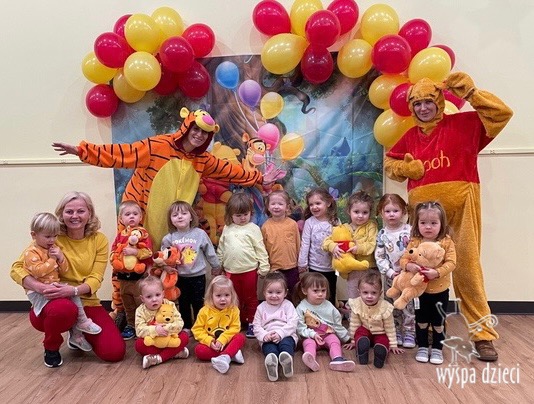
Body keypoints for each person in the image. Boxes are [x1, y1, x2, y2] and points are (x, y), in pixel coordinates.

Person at [384, 72, 513, 361]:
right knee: (420, 272)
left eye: (428, 101)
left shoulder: (466, 124)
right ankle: (427, 333)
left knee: (468, 271)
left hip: (462, 208)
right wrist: (405, 169)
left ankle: (482, 335)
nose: (423, 108)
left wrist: (472, 94)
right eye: (417, 104)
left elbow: (502, 114)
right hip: (423, 219)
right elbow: (390, 161)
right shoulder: (410, 137)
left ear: (440, 102)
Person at [52, 107, 279, 250]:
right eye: (196, 129)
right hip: (140, 216)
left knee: (168, 268)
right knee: (128, 260)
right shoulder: (157, 146)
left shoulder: (202, 159)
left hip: (172, 225)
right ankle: (121, 307)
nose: (199, 135)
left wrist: (260, 178)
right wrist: (82, 151)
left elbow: (231, 171)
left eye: (205, 133)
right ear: (186, 127)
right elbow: (119, 154)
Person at [11, 191, 125, 367]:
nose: (75, 216)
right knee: (64, 309)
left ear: (89, 213)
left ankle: (76, 334)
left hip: (86, 300)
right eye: (69, 211)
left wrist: (73, 290)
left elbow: (96, 278)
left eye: (81, 211)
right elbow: (16, 269)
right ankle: (51, 347)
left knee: (114, 352)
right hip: (54, 302)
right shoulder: (51, 236)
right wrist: (40, 288)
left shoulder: (99, 239)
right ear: (61, 214)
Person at [21, 212, 102, 361]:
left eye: (55, 236)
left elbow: (64, 271)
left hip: (55, 286)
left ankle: (79, 327)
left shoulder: (54, 248)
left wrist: (61, 258)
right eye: (48, 237)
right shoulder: (31, 252)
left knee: (73, 294)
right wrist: (53, 260)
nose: (52, 240)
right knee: (62, 308)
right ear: (34, 235)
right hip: (39, 292)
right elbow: (38, 271)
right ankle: (51, 348)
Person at [400, 202, 456, 365]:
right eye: (423, 223)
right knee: (421, 320)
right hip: (419, 292)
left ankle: (437, 348)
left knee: (439, 321)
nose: (428, 227)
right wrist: (409, 266)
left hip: (440, 291)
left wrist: (437, 272)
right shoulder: (415, 242)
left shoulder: (446, 242)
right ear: (417, 223)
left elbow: (452, 263)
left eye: (433, 223)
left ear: (441, 224)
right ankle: (423, 347)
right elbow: (404, 259)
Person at [161, 200, 221, 334]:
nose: (180, 217)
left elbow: (210, 251)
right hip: (180, 276)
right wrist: (166, 267)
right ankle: (186, 326)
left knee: (198, 302)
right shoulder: (169, 238)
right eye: (175, 215)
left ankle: (200, 326)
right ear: (171, 220)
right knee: (183, 302)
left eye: (184, 213)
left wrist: (216, 266)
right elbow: (164, 257)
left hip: (198, 276)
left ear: (191, 217)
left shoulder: (200, 234)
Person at [217, 192, 270, 338]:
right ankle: (236, 322)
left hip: (249, 270)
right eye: (238, 215)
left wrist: (264, 267)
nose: (242, 218)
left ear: (251, 213)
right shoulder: (227, 228)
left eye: (245, 214)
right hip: (230, 271)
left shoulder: (253, 228)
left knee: (250, 298)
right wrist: (218, 265)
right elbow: (221, 248)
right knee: (234, 298)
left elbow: (260, 248)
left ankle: (252, 322)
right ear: (230, 214)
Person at [375, 193, 415, 349]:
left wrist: (410, 268)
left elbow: (416, 252)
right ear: (381, 213)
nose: (391, 214)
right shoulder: (382, 234)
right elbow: (379, 256)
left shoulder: (410, 231)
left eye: (395, 211)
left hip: (409, 277)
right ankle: (396, 331)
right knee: (393, 304)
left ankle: (410, 331)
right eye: (387, 211)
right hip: (391, 277)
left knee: (409, 304)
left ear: (403, 212)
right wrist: (390, 272)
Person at [323, 190, 378, 299]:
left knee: (371, 297)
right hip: (352, 271)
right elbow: (326, 242)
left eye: (365, 212)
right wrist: (333, 247)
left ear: (370, 212)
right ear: (349, 211)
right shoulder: (343, 228)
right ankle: (353, 310)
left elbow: (372, 244)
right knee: (353, 296)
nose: (360, 216)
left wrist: (358, 248)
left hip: (370, 268)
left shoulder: (371, 226)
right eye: (356, 212)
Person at [296, 272, 355, 372]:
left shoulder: (329, 306)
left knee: (335, 341)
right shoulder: (301, 308)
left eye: (323, 290)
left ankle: (337, 359)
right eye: (315, 291)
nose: (320, 294)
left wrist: (348, 338)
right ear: (305, 291)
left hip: (328, 334)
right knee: (308, 343)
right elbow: (300, 328)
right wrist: (313, 334)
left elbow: (337, 324)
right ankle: (310, 359)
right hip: (311, 336)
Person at [110, 200, 153, 340]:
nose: (132, 216)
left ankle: (144, 324)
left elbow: (148, 252)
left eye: (135, 214)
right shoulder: (120, 235)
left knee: (139, 301)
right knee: (127, 301)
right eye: (127, 214)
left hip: (138, 277)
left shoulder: (143, 234)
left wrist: (135, 253)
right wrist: (114, 260)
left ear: (140, 217)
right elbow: (114, 250)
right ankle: (131, 325)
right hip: (123, 277)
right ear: (121, 219)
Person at [348, 271, 404, 368]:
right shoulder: (357, 304)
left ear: (380, 293)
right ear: (359, 292)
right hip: (365, 330)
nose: (369, 296)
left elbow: (390, 327)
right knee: (360, 332)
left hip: (380, 332)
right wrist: (353, 340)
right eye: (365, 293)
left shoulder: (385, 307)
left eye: (374, 293)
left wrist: (393, 344)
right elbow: (354, 324)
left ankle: (380, 354)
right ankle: (361, 351)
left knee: (383, 340)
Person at [192, 275, 246, 374]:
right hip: (212, 345)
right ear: (211, 296)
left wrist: (223, 339)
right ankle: (231, 354)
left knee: (240, 337)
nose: (223, 299)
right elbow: (197, 330)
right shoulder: (204, 311)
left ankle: (226, 356)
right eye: (218, 296)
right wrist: (209, 341)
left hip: (228, 341)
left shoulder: (234, 310)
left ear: (232, 295)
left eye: (227, 295)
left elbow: (235, 328)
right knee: (199, 350)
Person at [134, 276, 190, 369]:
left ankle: (159, 358)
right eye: (149, 297)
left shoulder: (170, 305)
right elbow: (139, 330)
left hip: (169, 339)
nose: (154, 299)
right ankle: (174, 353)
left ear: (163, 294)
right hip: (154, 341)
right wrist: (155, 330)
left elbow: (179, 323)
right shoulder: (140, 311)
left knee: (184, 337)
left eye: (157, 295)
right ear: (142, 298)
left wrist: (167, 328)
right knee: (139, 345)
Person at [252, 272, 299, 382]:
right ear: (264, 292)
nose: (274, 296)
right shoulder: (261, 308)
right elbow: (256, 326)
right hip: (268, 336)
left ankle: (286, 359)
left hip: (286, 334)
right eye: (270, 292)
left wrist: (280, 333)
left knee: (286, 344)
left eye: (278, 292)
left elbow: (293, 322)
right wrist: (265, 336)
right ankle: (272, 362)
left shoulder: (288, 305)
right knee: (269, 348)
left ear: (285, 293)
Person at [297, 188, 339, 305]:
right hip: (314, 266)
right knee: (315, 292)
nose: (314, 207)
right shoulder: (310, 222)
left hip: (332, 266)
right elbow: (305, 243)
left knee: (330, 293)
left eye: (318, 203)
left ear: (328, 203)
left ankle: (331, 313)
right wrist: (302, 263)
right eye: (311, 204)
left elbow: (340, 241)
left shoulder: (335, 221)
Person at [261, 190, 301, 297]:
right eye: (273, 204)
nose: (276, 207)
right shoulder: (265, 226)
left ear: (287, 207)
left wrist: (300, 263)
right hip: (274, 268)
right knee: (276, 293)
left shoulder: (292, 224)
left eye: (280, 204)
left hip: (292, 266)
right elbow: (263, 248)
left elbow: (298, 244)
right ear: (268, 207)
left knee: (293, 292)